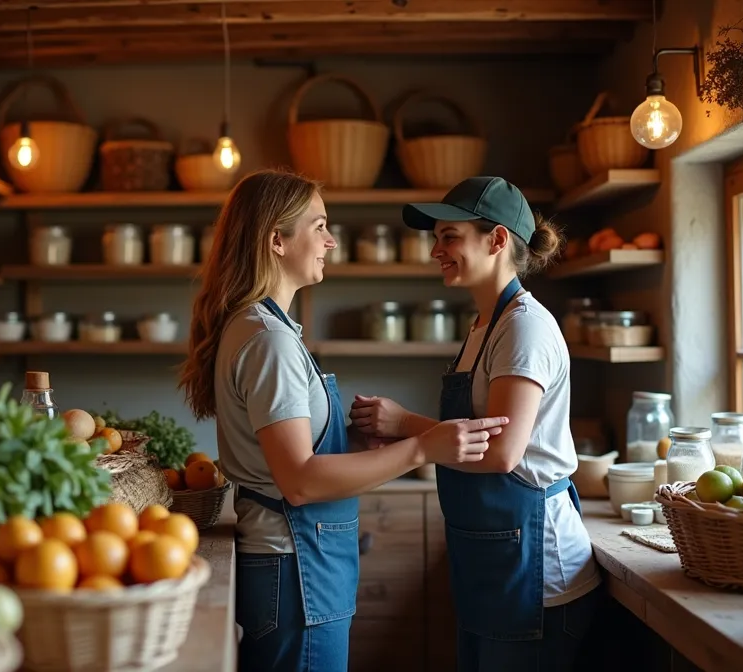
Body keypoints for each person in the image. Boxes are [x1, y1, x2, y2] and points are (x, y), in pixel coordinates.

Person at [177, 169, 511, 672]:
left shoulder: (262, 326)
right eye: (319, 226)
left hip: (297, 565)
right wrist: (424, 448)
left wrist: (346, 438)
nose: (331, 241)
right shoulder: (268, 339)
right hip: (296, 568)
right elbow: (300, 481)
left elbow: (293, 457)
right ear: (276, 241)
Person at [349, 176, 602, 671]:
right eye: (436, 238)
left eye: (449, 237)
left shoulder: (524, 326)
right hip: (494, 560)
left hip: (537, 568)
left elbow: (503, 451)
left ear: (498, 239)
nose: (434, 250)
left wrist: (404, 423)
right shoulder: (486, 323)